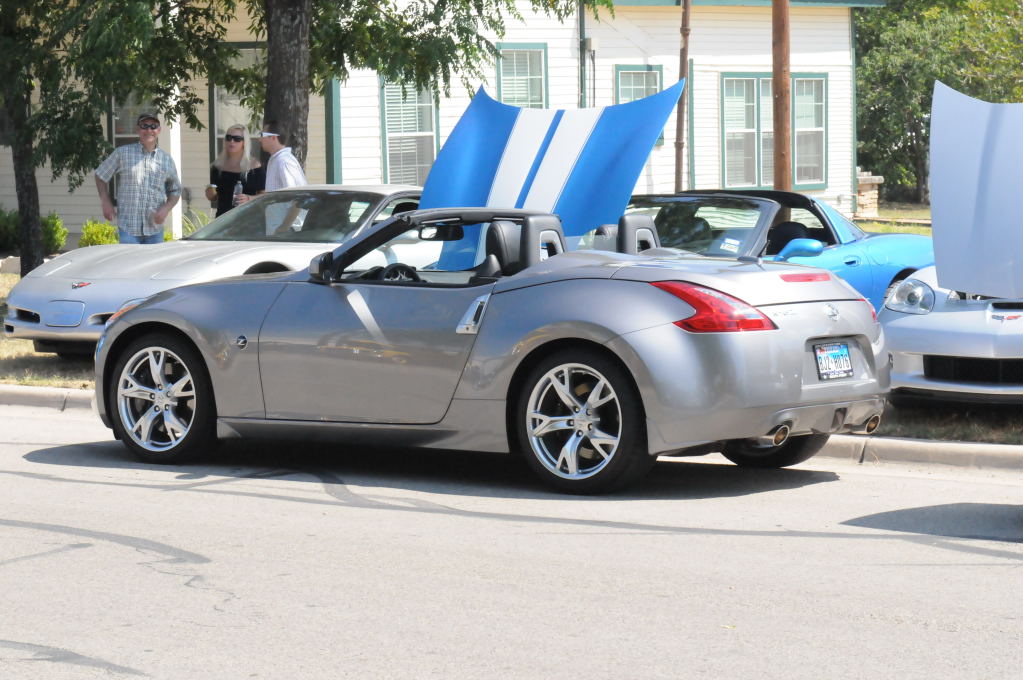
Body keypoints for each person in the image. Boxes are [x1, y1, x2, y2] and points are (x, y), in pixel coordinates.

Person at [94, 112, 181, 244]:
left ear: (159, 130)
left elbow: (175, 190)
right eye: (144, 126)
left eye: (153, 126)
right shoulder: (122, 153)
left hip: (155, 231)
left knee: (154, 265)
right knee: (130, 264)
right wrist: (105, 202)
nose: (149, 130)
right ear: (138, 129)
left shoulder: (166, 159)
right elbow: (100, 175)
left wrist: (166, 208)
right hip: (128, 230)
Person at [237, 120, 306, 204]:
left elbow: (295, 197)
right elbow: (272, 195)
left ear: (273, 137)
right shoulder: (275, 160)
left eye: (262, 135)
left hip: (286, 217)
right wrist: (250, 198)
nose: (259, 139)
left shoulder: (284, 162)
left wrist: (289, 218)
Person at [204, 125, 265, 216]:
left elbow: (264, 195)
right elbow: (214, 197)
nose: (232, 141)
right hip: (224, 218)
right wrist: (210, 194)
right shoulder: (217, 166)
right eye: (228, 138)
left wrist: (249, 198)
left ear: (244, 142)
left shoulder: (254, 166)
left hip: (249, 218)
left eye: (237, 139)